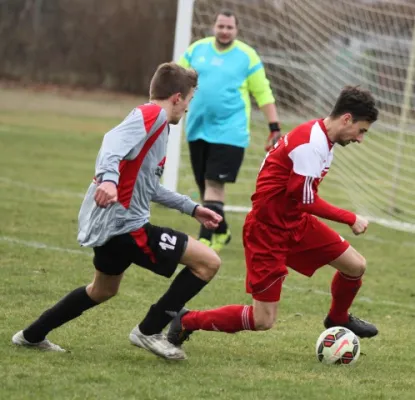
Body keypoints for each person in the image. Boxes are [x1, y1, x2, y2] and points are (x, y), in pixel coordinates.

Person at [12, 62, 222, 361]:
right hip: (126, 227)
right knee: (207, 263)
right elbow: (111, 144)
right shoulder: (153, 115)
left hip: (112, 227)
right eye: (188, 101)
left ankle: (30, 336)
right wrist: (109, 180)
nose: (187, 109)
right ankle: (149, 331)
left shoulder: (157, 127)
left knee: (102, 290)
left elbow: (151, 188)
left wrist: (193, 208)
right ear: (177, 97)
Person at [167, 86, 379, 348]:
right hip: (267, 232)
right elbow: (305, 199)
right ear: (347, 118)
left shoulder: (323, 139)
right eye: (361, 131)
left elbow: (298, 199)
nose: (360, 139)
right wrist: (350, 218)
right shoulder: (310, 143)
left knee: (355, 266)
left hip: (295, 223)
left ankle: (337, 318)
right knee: (263, 319)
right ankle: (187, 320)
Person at [178, 9, 281, 252]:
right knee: (205, 187)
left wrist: (274, 126)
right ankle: (221, 232)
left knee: (214, 185)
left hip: (230, 133)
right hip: (197, 129)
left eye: (229, 28)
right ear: (214, 26)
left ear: (236, 30)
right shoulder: (196, 50)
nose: (224, 31)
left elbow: (263, 92)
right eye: (221, 26)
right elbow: (176, 79)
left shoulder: (247, 56)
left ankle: (205, 238)